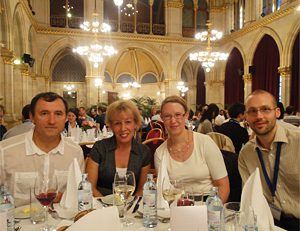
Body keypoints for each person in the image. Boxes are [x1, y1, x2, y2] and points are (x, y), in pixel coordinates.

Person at [0, 92, 85, 207]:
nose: (52, 121)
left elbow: (79, 194)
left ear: (66, 118)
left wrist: (66, 196)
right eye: (44, 113)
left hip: (62, 223)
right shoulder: (5, 151)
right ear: (32, 117)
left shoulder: (75, 152)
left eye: (58, 114)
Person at [238, 90, 300, 231]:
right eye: (253, 111)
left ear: (277, 112)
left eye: (265, 109)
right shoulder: (246, 154)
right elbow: (250, 197)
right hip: (266, 222)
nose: (259, 116)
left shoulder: (297, 143)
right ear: (246, 117)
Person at [155, 96, 229, 203]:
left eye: (178, 115)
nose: (173, 120)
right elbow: (165, 191)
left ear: (186, 115)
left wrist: (212, 211)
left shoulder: (205, 142)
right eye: (167, 116)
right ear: (162, 118)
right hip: (177, 206)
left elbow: (223, 186)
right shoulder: (160, 152)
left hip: (209, 203)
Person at [86, 100, 152, 197]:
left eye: (128, 122)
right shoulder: (100, 148)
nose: (123, 128)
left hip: (132, 208)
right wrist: (107, 208)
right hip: (101, 206)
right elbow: (90, 187)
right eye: (117, 123)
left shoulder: (143, 152)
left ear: (135, 123)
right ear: (111, 126)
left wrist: (130, 208)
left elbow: (142, 189)